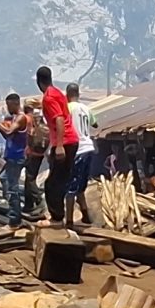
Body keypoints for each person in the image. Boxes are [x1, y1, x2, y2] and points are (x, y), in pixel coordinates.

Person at [37, 66, 77, 225]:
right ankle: (59, 216)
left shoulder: (48, 97)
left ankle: (57, 218)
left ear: (39, 82)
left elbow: (59, 119)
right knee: (60, 181)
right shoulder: (58, 92)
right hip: (70, 140)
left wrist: (59, 146)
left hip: (65, 142)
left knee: (52, 183)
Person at [0, 93, 32, 228]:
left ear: (15, 104)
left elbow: (9, 132)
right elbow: (8, 136)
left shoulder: (21, 118)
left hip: (17, 157)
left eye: (9, 105)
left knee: (12, 187)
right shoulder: (14, 118)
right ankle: (14, 207)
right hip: (12, 157)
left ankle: (15, 220)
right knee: (4, 178)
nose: (7, 108)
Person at [64, 82, 97, 223]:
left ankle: (69, 222)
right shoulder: (86, 108)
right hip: (88, 148)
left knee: (70, 187)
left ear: (67, 95)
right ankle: (86, 217)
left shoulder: (67, 108)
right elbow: (95, 124)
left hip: (76, 150)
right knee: (81, 186)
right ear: (78, 94)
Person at [22, 105, 50, 219]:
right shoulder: (45, 127)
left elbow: (29, 139)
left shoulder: (34, 126)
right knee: (29, 179)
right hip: (40, 154)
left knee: (30, 177)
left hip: (33, 154)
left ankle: (39, 200)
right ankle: (28, 205)